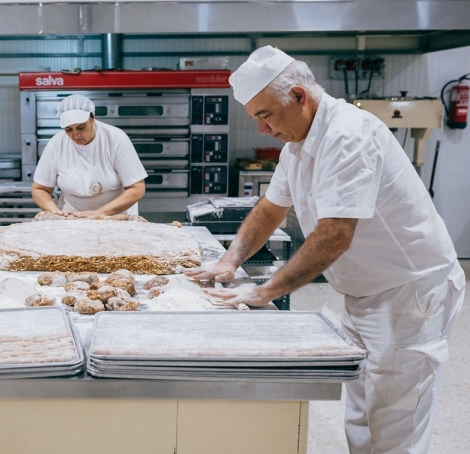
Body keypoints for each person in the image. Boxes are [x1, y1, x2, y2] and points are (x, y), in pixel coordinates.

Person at [185, 46, 465, 453]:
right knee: (363, 414)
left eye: (265, 115)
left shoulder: (348, 135)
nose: (262, 129)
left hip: (410, 294)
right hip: (364, 292)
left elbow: (335, 235)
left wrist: (265, 290)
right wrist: (230, 260)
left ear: (299, 96)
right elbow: (269, 209)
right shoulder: (296, 147)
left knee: (396, 424)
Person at [31, 94, 147, 217]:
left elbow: (137, 189)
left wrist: (99, 213)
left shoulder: (115, 139)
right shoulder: (57, 143)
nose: (75, 135)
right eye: (68, 129)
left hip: (115, 217)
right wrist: (56, 212)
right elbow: (39, 189)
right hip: (71, 220)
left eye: (81, 127)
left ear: (93, 118)